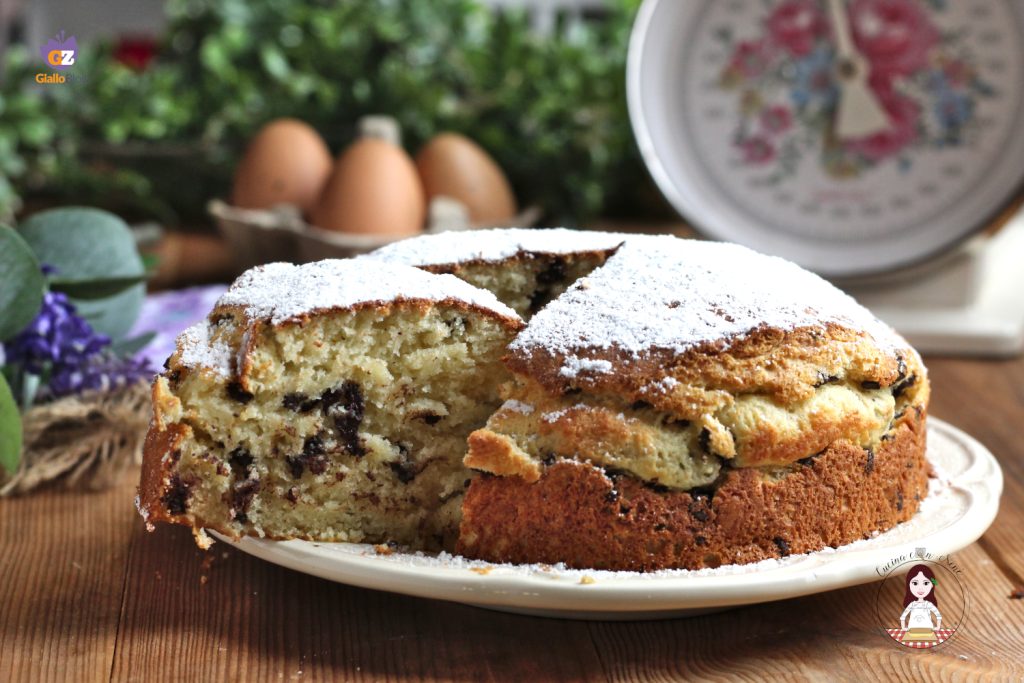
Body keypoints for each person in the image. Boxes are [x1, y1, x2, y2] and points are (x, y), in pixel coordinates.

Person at [899, 563, 942, 642]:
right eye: (915, 583)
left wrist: (937, 627)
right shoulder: (912, 604)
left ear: (932, 585)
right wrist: (904, 628)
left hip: (927, 631)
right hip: (913, 631)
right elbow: (903, 616)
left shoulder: (928, 604)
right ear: (909, 585)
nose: (920, 588)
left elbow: (938, 615)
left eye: (926, 583)